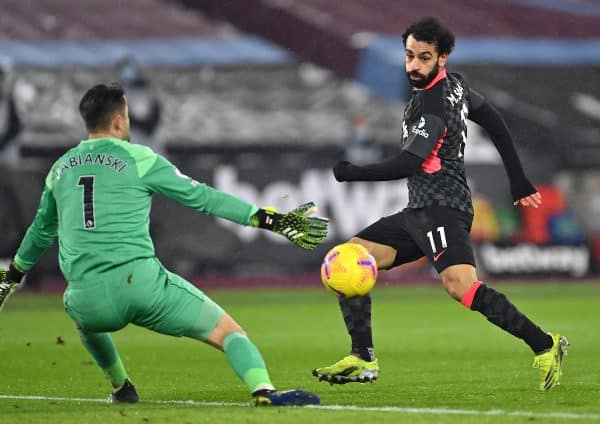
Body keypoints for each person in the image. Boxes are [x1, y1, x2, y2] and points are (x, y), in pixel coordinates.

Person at [0, 82, 328, 406]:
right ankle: (263, 390)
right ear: (118, 120)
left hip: (86, 299)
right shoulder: (140, 158)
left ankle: (122, 388)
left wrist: (12, 277)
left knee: (84, 317)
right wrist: (272, 220)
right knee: (230, 333)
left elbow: (40, 233)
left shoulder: (59, 170)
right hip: (140, 285)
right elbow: (204, 198)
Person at [311, 17, 568, 392]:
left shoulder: (431, 105)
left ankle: (546, 345)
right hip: (420, 209)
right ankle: (362, 358)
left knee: (460, 286)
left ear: (442, 58)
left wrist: (350, 172)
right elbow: (494, 121)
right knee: (353, 255)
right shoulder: (456, 87)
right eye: (409, 56)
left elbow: (408, 164)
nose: (413, 65)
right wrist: (518, 179)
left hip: (443, 207)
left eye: (424, 58)